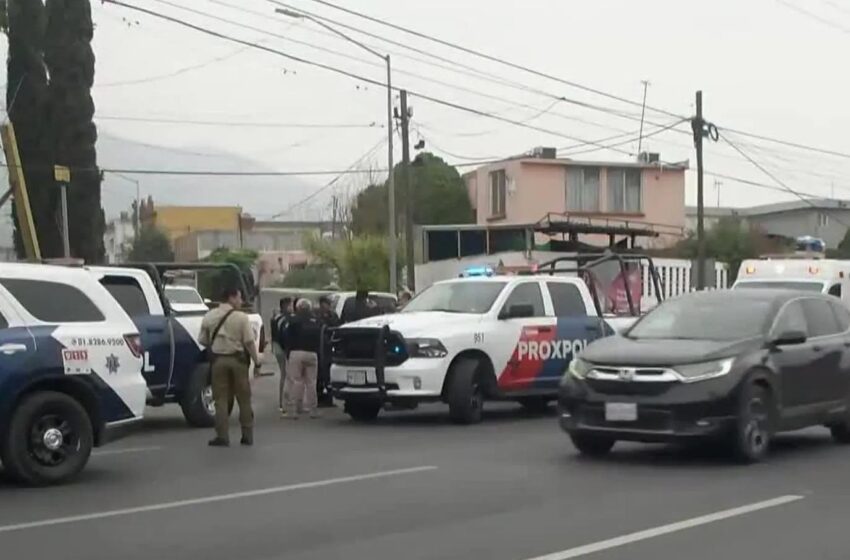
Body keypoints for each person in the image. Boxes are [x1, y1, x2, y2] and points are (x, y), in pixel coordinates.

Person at [198, 285, 261, 447]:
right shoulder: (241, 318)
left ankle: (222, 436)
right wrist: (257, 360)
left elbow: (203, 340)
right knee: (244, 399)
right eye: (239, 298)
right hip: (238, 361)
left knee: (221, 400)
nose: (241, 301)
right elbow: (248, 341)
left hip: (218, 361)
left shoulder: (209, 316)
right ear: (231, 298)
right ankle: (247, 435)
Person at [282, 299, 323, 419]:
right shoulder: (316, 321)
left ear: (298, 308)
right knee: (311, 383)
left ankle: (294, 410)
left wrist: (288, 351)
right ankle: (313, 410)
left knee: (296, 381)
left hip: (296, 352)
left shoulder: (293, 320)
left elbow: (286, 336)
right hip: (312, 353)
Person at [316, 295, 340, 408]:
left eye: (328, 304)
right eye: (325, 304)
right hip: (318, 347)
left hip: (330, 347)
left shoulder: (333, 315)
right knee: (319, 373)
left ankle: (329, 397)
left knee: (328, 373)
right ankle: (319, 397)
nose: (327, 306)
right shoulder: (316, 315)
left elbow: (338, 326)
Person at [271, 297, 293, 415]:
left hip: (276, 346)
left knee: (285, 374)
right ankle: (284, 401)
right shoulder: (284, 319)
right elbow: (283, 336)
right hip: (282, 348)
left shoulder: (275, 317)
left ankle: (284, 400)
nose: (292, 308)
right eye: (290, 305)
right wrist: (287, 350)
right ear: (285, 306)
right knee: (286, 375)